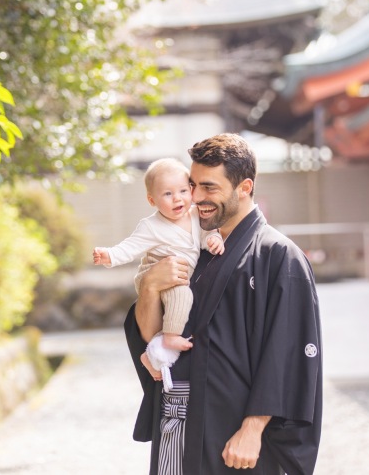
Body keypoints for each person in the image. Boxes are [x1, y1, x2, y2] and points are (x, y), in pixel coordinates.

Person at [123, 133, 323, 474]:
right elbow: (150, 333)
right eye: (193, 185)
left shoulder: (278, 256)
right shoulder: (189, 248)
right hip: (177, 423)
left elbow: (286, 354)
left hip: (233, 432)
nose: (196, 197)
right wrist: (151, 287)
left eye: (209, 188)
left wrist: (253, 429)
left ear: (244, 187)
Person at [93, 158, 224, 390]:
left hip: (178, 274)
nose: (178, 198)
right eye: (168, 194)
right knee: (183, 297)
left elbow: (205, 236)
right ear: (152, 200)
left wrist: (213, 239)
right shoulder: (151, 226)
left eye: (184, 190)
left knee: (178, 310)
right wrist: (109, 255)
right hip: (157, 271)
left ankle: (150, 354)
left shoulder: (195, 215)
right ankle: (169, 338)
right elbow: (129, 247)